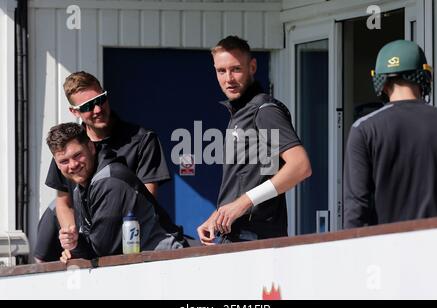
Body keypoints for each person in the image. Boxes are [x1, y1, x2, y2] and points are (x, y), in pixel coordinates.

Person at [35, 71, 178, 262]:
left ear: (91, 149)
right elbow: (63, 202)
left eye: (100, 100)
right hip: (91, 234)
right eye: (87, 106)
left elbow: (145, 202)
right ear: (74, 111)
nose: (97, 109)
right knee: (52, 213)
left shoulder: (141, 140)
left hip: (132, 238)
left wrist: (87, 244)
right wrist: (73, 241)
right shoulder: (68, 147)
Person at [197, 36, 312, 245]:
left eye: (236, 69)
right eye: (221, 71)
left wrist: (242, 203)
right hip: (237, 236)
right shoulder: (241, 113)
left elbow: (300, 166)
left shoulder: (264, 110)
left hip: (255, 240)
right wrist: (219, 215)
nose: (228, 78)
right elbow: (247, 180)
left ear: (252, 67)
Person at [344, 40, 437, 228]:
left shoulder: (364, 130)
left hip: (387, 248)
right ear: (424, 77)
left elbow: (356, 209)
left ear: (381, 83)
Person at [45, 123, 182, 262]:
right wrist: (74, 244)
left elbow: (101, 251)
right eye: (64, 161)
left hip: (168, 260)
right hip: (145, 264)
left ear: (91, 147)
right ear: (57, 165)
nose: (73, 165)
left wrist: (76, 249)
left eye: (77, 155)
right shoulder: (81, 185)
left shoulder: (109, 181)